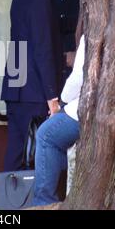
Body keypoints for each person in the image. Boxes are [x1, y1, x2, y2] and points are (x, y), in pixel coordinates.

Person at [1, 0, 63, 172]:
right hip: (33, 90)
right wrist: (52, 96)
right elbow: (42, 48)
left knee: (18, 151)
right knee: (29, 156)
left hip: (21, 87)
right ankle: (22, 205)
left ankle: (12, 203)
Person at [33, 31, 85, 206]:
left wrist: (62, 101)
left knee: (46, 135)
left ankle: (44, 203)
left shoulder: (92, 34)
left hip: (86, 109)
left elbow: (78, 78)